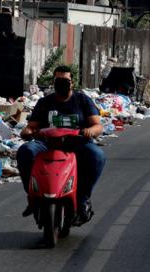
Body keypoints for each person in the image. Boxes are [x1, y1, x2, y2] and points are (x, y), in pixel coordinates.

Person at [16, 65, 106, 225]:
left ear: (72, 83)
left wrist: (90, 131)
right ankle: (33, 196)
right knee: (25, 151)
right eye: (59, 80)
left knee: (97, 156)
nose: (62, 84)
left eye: (66, 80)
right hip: (47, 144)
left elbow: (98, 126)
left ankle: (83, 200)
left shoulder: (82, 100)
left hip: (76, 143)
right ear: (53, 82)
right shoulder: (45, 102)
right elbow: (32, 126)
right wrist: (28, 131)